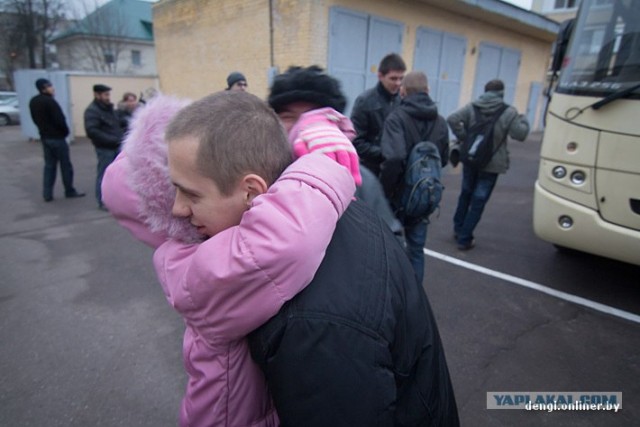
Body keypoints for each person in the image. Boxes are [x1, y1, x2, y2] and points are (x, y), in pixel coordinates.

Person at [101, 91, 357, 427]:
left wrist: (305, 127)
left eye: (190, 193)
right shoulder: (198, 271)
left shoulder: (214, 238)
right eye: (176, 192)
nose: (178, 209)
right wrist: (321, 165)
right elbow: (286, 239)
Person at [249, 65, 459, 426]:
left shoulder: (357, 186)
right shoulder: (265, 193)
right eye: (287, 117)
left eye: (310, 117)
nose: (298, 128)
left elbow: (342, 338)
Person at [266, 65, 401, 235]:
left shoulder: (360, 181)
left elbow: (388, 245)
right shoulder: (259, 175)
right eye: (288, 117)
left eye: (314, 117)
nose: (301, 127)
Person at [379, 71, 449, 284]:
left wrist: (386, 192)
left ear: (403, 92)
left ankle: (392, 296)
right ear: (428, 91)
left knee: (390, 250)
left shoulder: (396, 118)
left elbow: (394, 158)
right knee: (416, 250)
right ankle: (415, 297)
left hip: (399, 198)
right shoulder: (440, 121)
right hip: (424, 197)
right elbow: (443, 159)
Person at [447, 79, 530, 250]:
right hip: (492, 163)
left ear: (484, 91)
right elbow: (520, 134)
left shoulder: (472, 107)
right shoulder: (509, 112)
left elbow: (452, 118)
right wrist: (523, 118)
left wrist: (464, 137)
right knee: (479, 199)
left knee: (465, 193)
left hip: (471, 158)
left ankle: (458, 228)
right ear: (502, 93)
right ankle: (465, 238)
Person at [29, 78, 85, 202]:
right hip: (57, 138)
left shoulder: (34, 101)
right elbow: (60, 120)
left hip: (45, 138)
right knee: (65, 165)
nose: (52, 88)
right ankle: (69, 190)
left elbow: (34, 118)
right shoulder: (50, 102)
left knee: (49, 166)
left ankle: (47, 193)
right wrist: (65, 132)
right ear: (44, 88)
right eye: (49, 86)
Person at [351, 53, 406, 176]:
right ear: (380, 76)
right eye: (393, 78)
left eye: (401, 78)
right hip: (371, 171)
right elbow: (356, 141)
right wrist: (385, 153)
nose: (398, 83)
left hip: (395, 172)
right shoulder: (365, 101)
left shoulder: (402, 101)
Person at [84, 84, 125, 211]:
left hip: (117, 146)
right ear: (97, 95)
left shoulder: (109, 109)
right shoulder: (92, 111)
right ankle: (102, 200)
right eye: (106, 95)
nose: (108, 97)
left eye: (109, 94)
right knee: (104, 174)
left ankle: (116, 199)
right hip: (105, 148)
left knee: (119, 175)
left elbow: (117, 124)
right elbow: (92, 131)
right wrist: (112, 140)